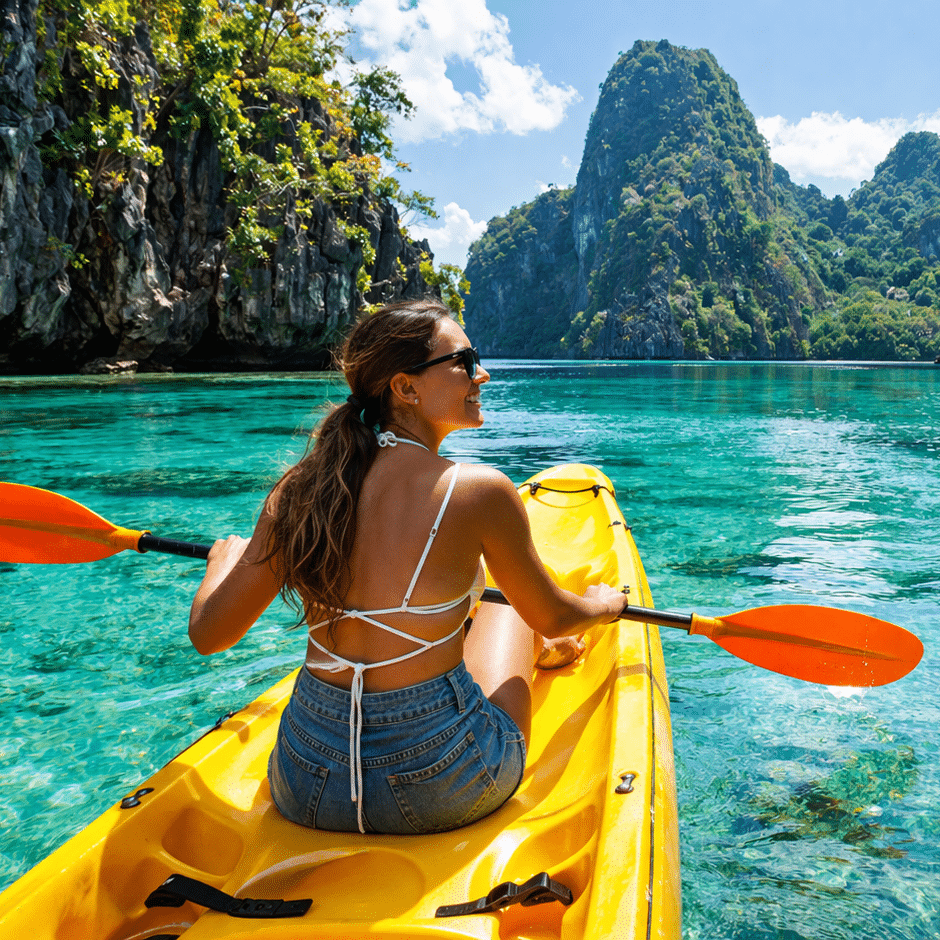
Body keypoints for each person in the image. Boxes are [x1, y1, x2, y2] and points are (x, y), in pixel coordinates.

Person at [188, 299, 626, 835]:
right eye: (464, 361)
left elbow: (210, 634)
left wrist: (222, 564)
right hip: (439, 781)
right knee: (511, 606)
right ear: (405, 388)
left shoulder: (302, 488)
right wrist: (607, 603)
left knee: (484, 604)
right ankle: (543, 652)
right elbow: (556, 612)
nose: (481, 374)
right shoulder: (479, 491)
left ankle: (535, 648)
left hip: (306, 781)